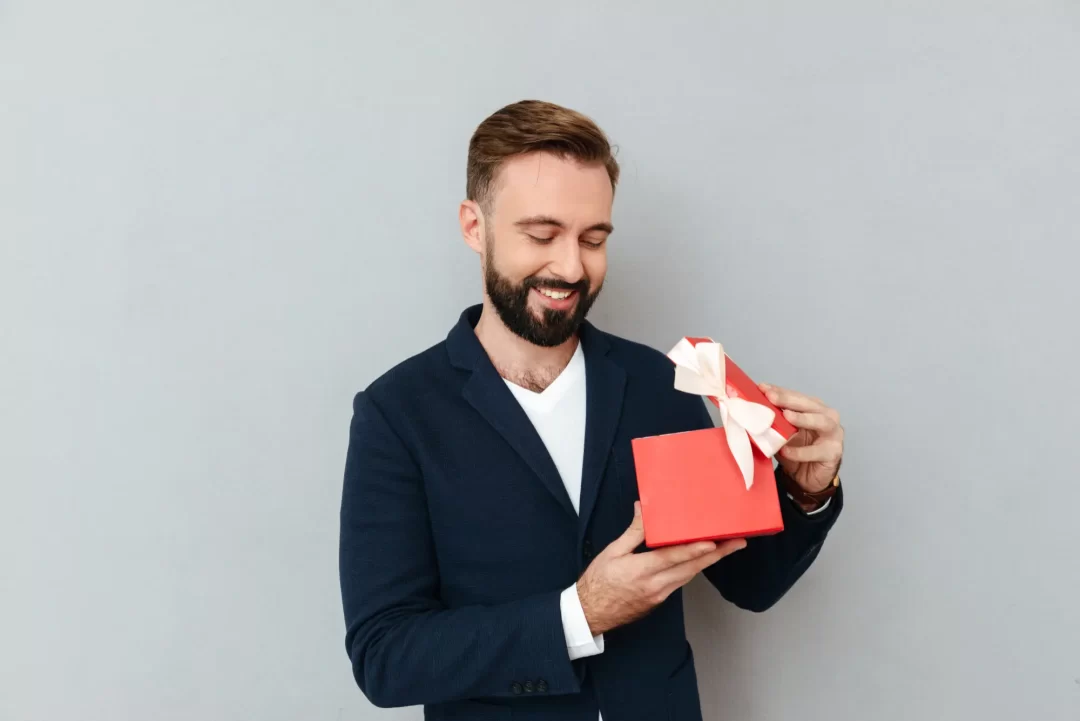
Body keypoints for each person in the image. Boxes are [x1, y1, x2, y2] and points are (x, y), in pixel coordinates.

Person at [338, 99, 845, 721]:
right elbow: (385, 657)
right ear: (475, 227)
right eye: (542, 235)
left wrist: (806, 495)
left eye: (594, 238)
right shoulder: (397, 413)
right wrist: (578, 614)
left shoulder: (660, 383)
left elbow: (750, 584)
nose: (572, 266)